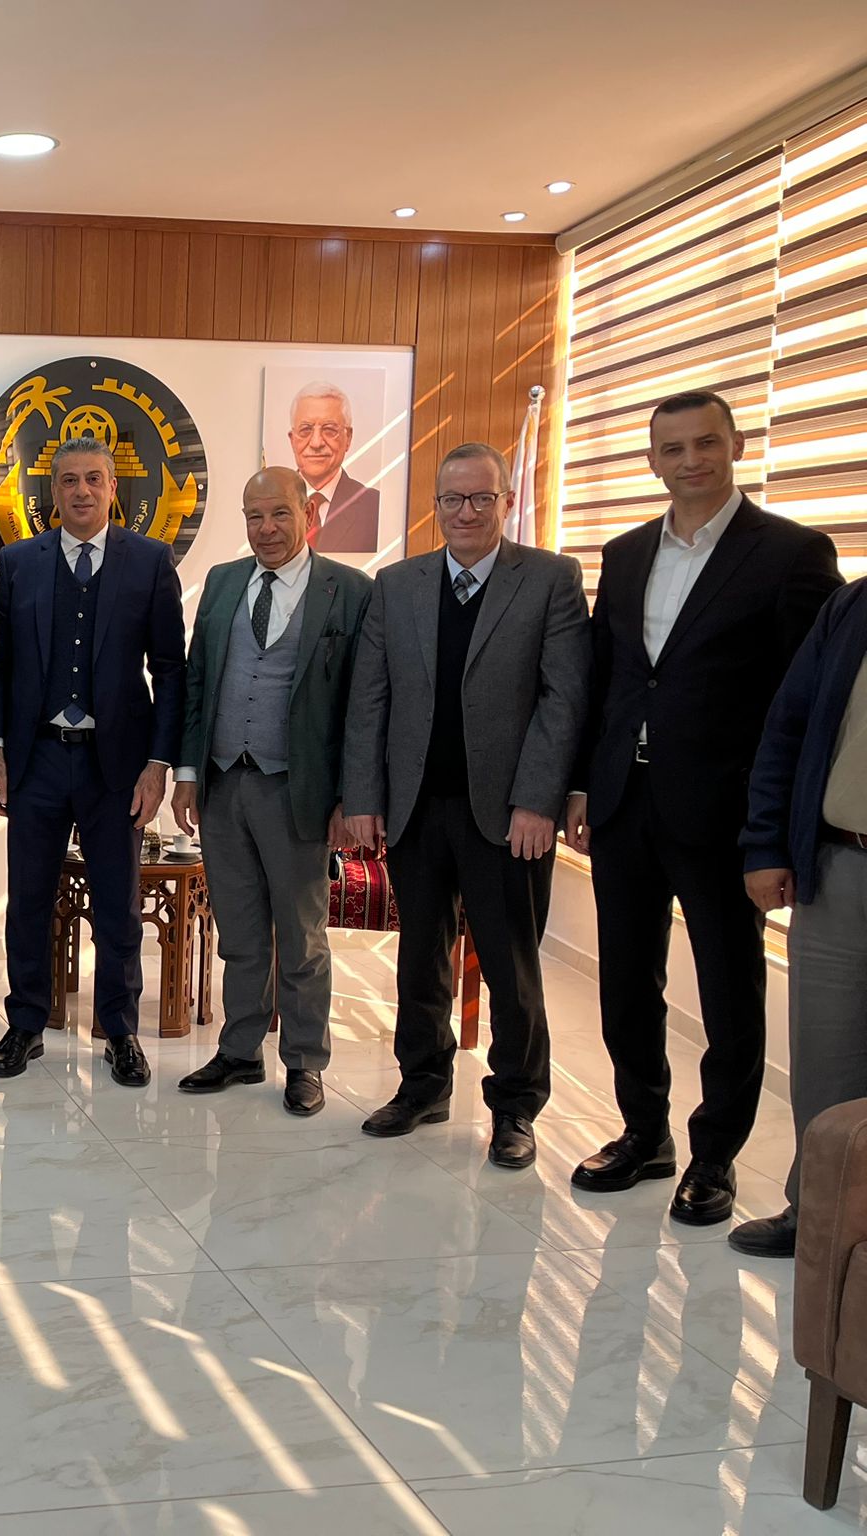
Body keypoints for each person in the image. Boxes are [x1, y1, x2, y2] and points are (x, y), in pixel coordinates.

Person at [565, 391, 841, 1225]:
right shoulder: (624, 553)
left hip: (725, 812)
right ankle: (643, 1133)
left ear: (736, 445)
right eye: (674, 448)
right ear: (652, 460)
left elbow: (807, 702)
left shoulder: (791, 554)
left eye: (706, 443)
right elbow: (608, 680)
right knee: (627, 981)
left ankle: (714, 1155)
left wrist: (776, 828)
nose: (691, 460)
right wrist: (581, 784)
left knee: (727, 989)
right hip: (625, 802)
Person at [342, 441, 589, 1168]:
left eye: (482, 497)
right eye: (453, 499)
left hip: (508, 815)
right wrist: (364, 797)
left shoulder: (549, 579)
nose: (467, 512)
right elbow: (369, 700)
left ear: (507, 501)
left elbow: (564, 699)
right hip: (415, 808)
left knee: (511, 968)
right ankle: (422, 1086)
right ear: (436, 506)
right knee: (420, 957)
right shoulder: (397, 584)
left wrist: (538, 801)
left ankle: (515, 1107)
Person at [0, 436, 185, 1087]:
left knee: (119, 905)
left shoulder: (150, 561)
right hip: (37, 758)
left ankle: (120, 1031)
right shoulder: (19, 562)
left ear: (112, 488)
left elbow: (170, 670)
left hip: (116, 766)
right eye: (69, 480)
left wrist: (158, 763)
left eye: (94, 478)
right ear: (53, 492)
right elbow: (0, 664)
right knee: (28, 900)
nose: (81, 491)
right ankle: (26, 1023)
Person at [173, 467, 373, 1114]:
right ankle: (239, 1051)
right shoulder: (223, 583)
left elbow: (361, 706)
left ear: (308, 514)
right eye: (254, 516)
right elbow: (197, 681)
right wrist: (187, 774)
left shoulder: (350, 591)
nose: (266, 529)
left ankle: (305, 1061)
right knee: (239, 931)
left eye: (279, 514)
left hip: (299, 791)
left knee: (303, 937)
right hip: (224, 783)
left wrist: (348, 798)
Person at [732, 576, 867, 1257]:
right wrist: (766, 844)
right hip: (841, 865)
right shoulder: (853, 606)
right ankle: (816, 1214)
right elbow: (788, 726)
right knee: (826, 1056)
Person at [288, 382, 381, 554]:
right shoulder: (269, 503)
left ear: (348, 438)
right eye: (306, 430)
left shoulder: (374, 507)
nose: (316, 443)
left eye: (329, 430)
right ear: (292, 440)